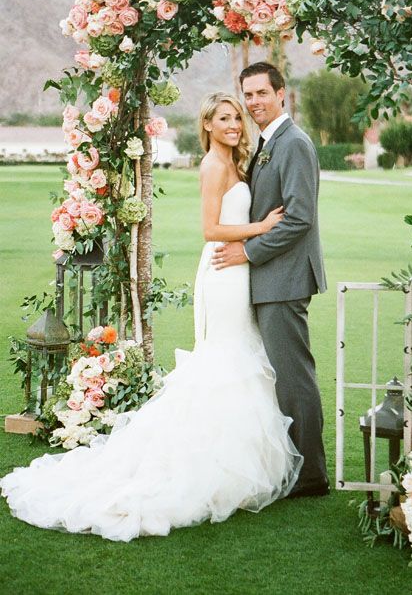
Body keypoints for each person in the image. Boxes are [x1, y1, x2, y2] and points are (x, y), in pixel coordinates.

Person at [0, 92, 302, 542]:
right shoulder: (214, 167)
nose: (234, 124)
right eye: (224, 118)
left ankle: (233, 464)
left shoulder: (236, 163)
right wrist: (261, 228)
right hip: (222, 272)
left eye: (237, 117)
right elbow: (210, 229)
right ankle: (204, 465)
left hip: (239, 272)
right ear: (208, 124)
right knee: (222, 359)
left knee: (240, 354)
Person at [211, 62, 329, 497]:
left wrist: (248, 250)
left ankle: (311, 476)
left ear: (282, 93)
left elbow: (299, 217)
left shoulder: (293, 143)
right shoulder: (266, 143)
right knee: (278, 377)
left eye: (263, 93)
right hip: (268, 279)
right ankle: (289, 464)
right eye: (249, 94)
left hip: (285, 279)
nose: (255, 102)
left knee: (294, 377)